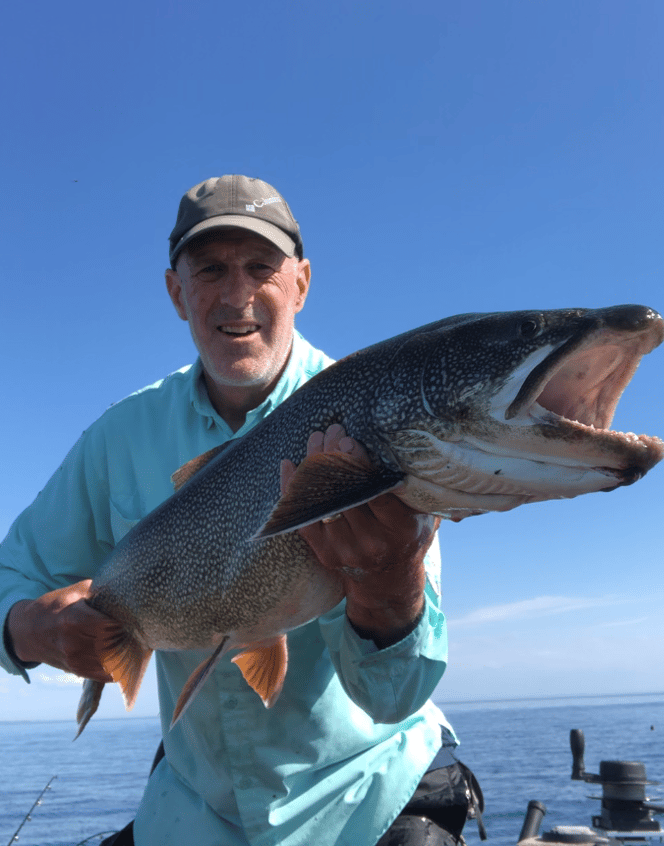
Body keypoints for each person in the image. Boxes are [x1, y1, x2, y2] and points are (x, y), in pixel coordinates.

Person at [0, 175, 479, 846]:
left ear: (302, 283)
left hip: (367, 793)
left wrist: (389, 590)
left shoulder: (372, 414)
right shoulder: (121, 436)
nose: (235, 296)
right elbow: (10, 576)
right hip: (194, 811)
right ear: (176, 291)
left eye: (261, 267)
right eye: (211, 270)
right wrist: (33, 630)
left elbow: (392, 698)